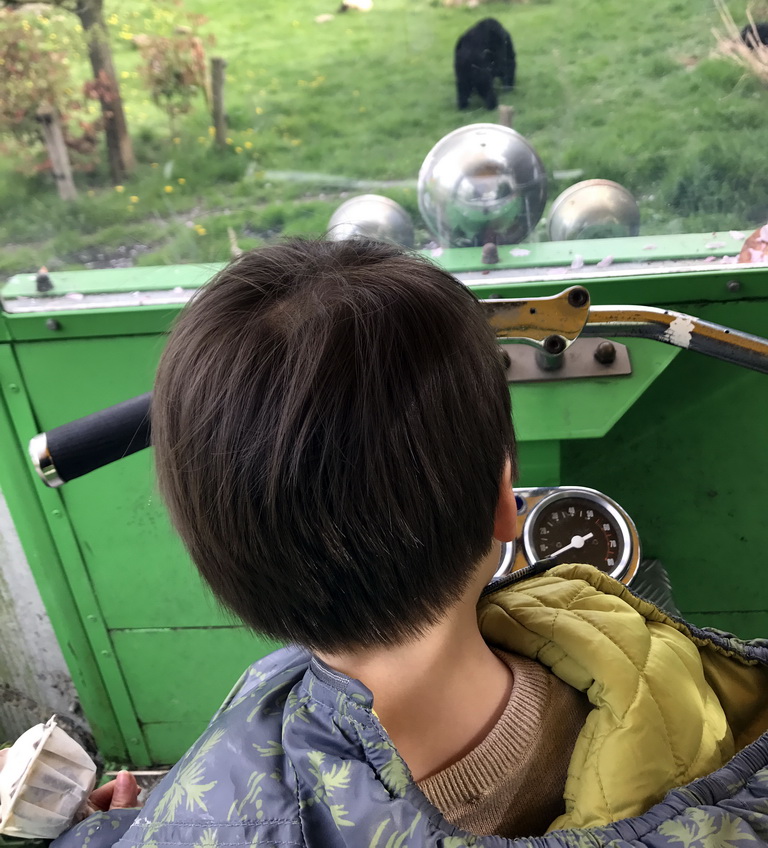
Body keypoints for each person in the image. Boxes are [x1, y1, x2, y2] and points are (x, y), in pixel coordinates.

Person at [54, 239, 768, 848]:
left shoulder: (230, 781)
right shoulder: (659, 670)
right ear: (503, 502)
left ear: (213, 552)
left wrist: (133, 829)